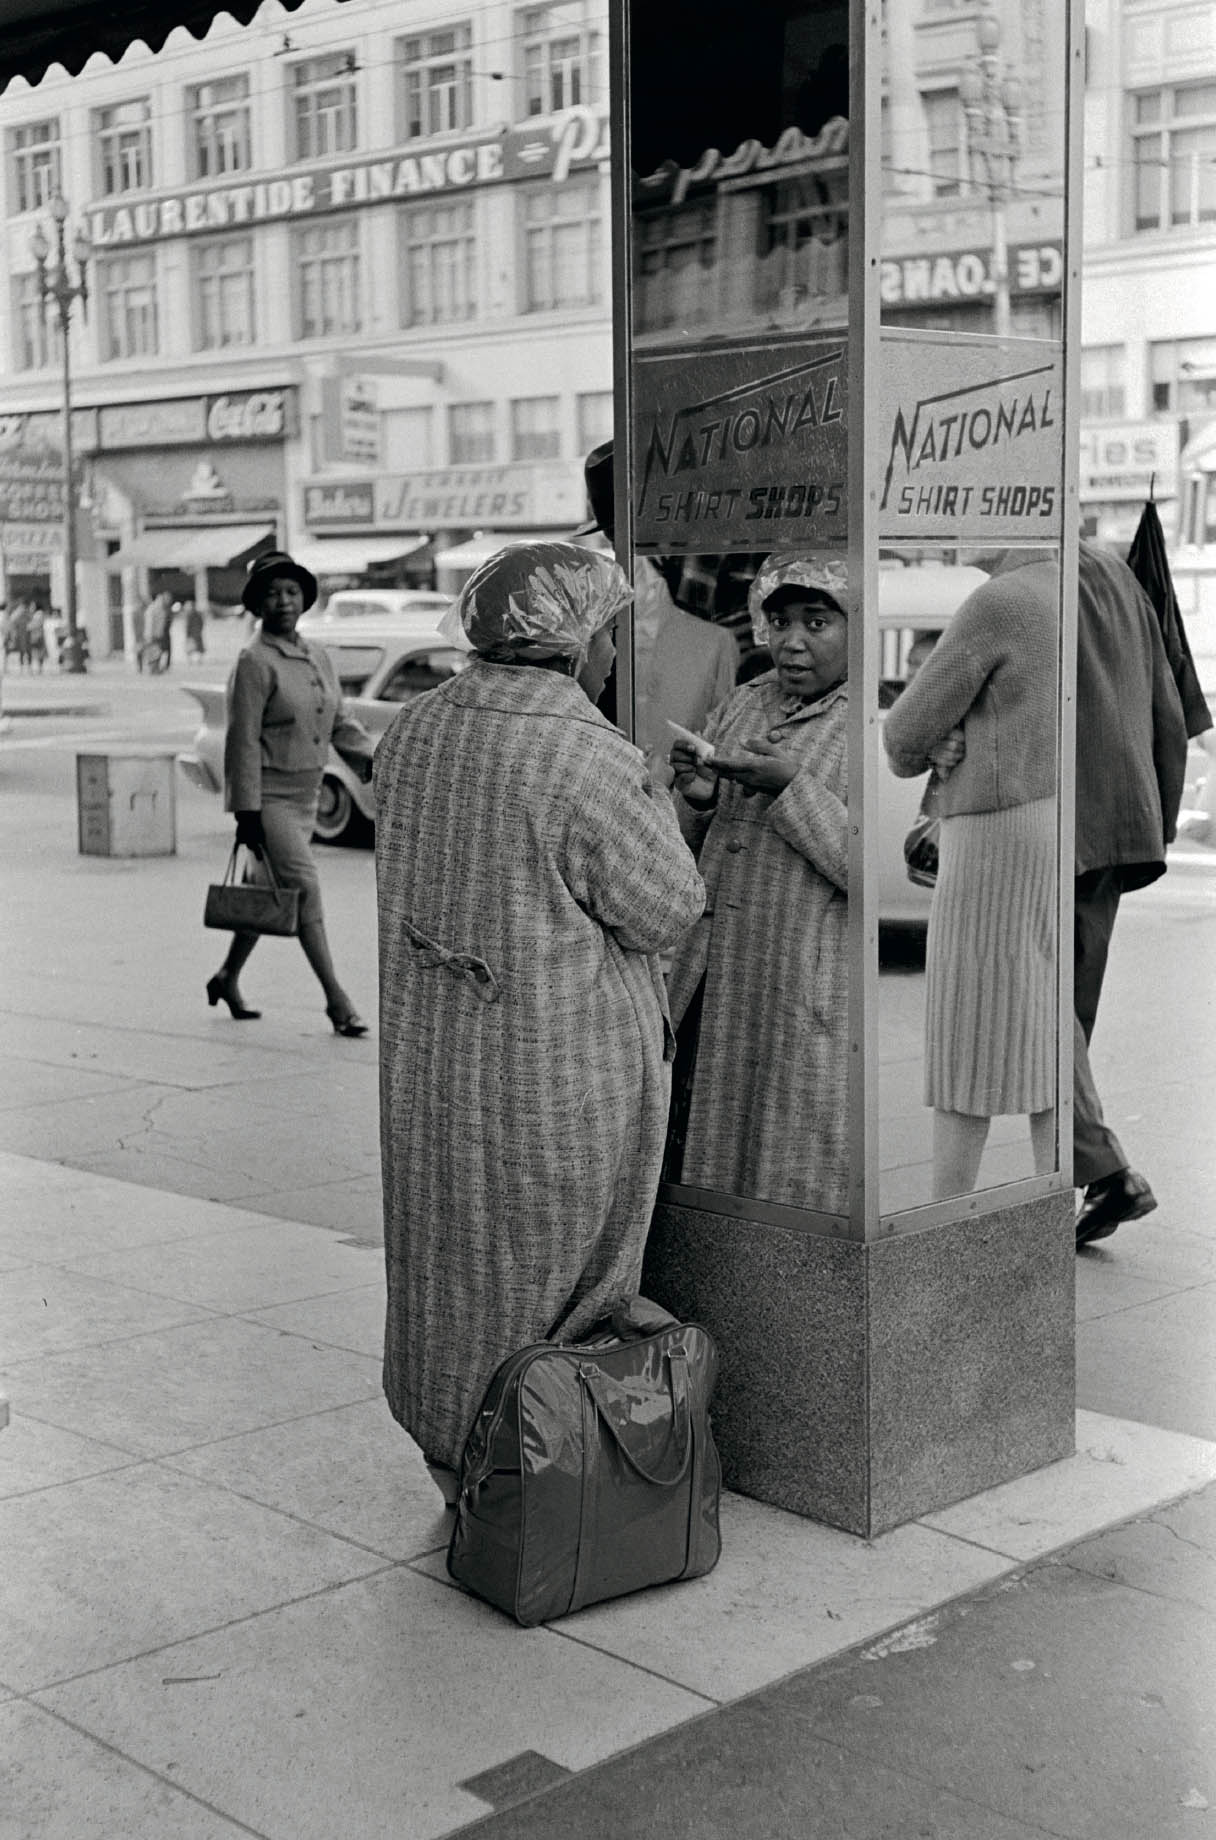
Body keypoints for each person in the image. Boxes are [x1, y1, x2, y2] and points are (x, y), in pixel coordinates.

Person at [374, 541, 705, 1503]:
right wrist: (663, 804)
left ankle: (451, 1459)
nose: (614, 654)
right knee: (544, 1279)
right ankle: (533, 1483)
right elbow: (666, 907)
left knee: (446, 1267)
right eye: (611, 633)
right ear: (580, 640)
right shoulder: (583, 756)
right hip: (550, 1082)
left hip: (433, 1068)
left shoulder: (415, 732)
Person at [665, 549, 851, 1213]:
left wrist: (793, 789)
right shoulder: (744, 701)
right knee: (701, 1141)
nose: (793, 642)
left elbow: (864, 867)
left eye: (818, 623)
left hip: (796, 974)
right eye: (780, 623)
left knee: (788, 1148)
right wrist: (699, 794)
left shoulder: (870, 724)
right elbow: (689, 836)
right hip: (716, 970)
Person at [883, 551, 1059, 1199]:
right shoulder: (1078, 586)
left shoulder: (996, 601)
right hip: (1058, 820)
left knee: (967, 1024)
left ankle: (949, 1206)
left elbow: (903, 735)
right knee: (1046, 1018)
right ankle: (1053, 1192)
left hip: (989, 829)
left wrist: (934, 740)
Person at [1071, 539, 1189, 1246]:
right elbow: (1170, 705)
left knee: (1041, 1011)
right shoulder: (1119, 574)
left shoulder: (1030, 577)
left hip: (1060, 823)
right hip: (1120, 821)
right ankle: (1094, 1171)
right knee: (1067, 1016)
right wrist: (1157, 818)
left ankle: (1105, 1168)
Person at [207, 549, 375, 1034]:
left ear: (304, 599)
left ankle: (226, 976)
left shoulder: (316, 654)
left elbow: (339, 720)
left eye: (291, 592)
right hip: (271, 799)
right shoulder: (253, 661)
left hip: (307, 795)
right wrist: (247, 811)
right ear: (257, 604)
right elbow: (242, 739)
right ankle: (336, 1001)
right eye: (272, 593)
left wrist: (371, 760)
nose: (283, 601)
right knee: (305, 889)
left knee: (265, 893)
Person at [575, 439, 739, 768]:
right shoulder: (596, 615)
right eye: (612, 534)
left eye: (622, 532)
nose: (622, 545)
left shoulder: (706, 583)